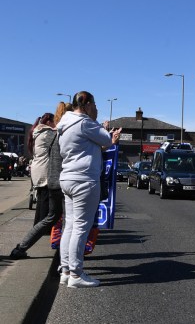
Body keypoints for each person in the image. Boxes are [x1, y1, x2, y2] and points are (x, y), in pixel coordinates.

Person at [58, 91, 121, 288]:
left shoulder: (65, 122)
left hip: (68, 177)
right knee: (80, 227)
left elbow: (91, 147)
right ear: (85, 105)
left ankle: (66, 271)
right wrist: (111, 135)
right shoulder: (84, 122)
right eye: (94, 104)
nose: (96, 108)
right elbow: (106, 141)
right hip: (84, 180)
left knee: (69, 226)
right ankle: (76, 274)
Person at [10, 109, 59, 259]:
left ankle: (33, 235)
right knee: (48, 211)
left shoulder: (37, 131)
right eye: (55, 120)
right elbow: (61, 135)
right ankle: (31, 238)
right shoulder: (47, 133)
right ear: (49, 122)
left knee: (46, 209)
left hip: (38, 169)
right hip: (46, 171)